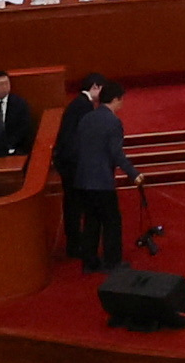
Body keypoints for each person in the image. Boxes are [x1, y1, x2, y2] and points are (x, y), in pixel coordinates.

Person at [53, 76, 132, 271]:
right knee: (112, 221)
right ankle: (113, 262)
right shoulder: (113, 122)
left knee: (91, 221)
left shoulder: (88, 117)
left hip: (83, 177)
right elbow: (115, 153)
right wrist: (134, 173)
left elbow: (79, 146)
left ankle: (89, 261)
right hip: (102, 179)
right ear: (115, 99)